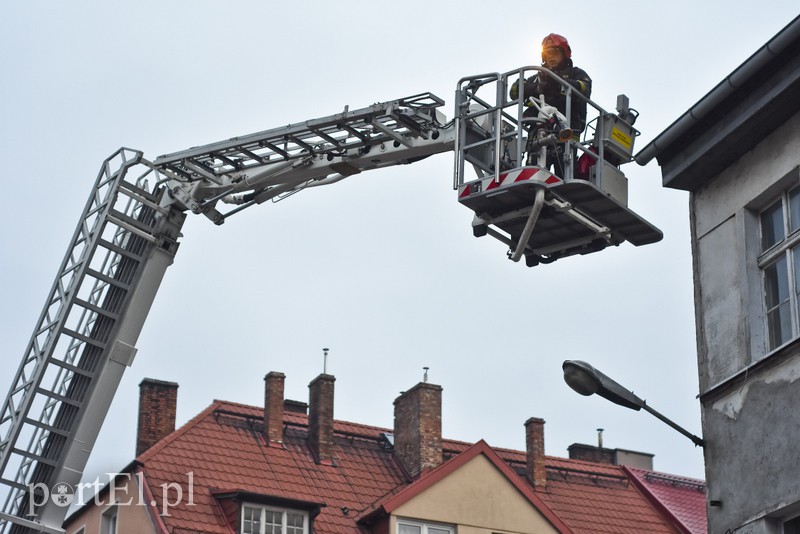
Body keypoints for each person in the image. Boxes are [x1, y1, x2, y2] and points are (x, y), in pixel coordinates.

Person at [510, 34, 592, 173]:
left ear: (565, 54)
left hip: (565, 137)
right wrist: (535, 88)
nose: (550, 57)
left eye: (555, 53)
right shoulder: (537, 78)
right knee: (534, 176)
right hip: (538, 138)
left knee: (564, 180)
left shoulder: (576, 73)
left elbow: (584, 89)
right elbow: (514, 92)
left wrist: (559, 84)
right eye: (547, 54)